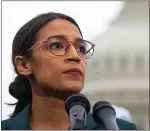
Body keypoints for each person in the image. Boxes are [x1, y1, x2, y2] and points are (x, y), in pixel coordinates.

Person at [2, 12, 137, 130]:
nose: (75, 56)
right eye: (56, 45)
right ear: (24, 65)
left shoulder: (120, 128)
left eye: (81, 48)